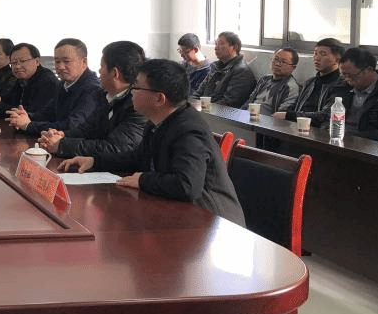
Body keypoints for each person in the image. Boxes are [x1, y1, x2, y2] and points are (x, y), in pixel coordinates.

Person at [64, 58, 245, 225]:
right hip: (179, 213)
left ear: (159, 98)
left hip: (212, 222)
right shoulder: (158, 121)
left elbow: (187, 185)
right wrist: (94, 161)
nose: (131, 92)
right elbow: (137, 158)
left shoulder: (189, 130)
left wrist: (143, 180)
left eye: (137, 87)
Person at [42, 40, 149, 159]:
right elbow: (89, 129)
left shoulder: (139, 106)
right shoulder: (104, 96)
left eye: (102, 66)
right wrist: (62, 135)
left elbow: (115, 148)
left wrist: (62, 145)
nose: (99, 71)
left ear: (115, 73)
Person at [7, 38, 99, 136]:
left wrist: (28, 125)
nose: (60, 67)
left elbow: (71, 126)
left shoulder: (93, 89)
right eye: (57, 61)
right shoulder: (63, 83)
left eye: (66, 61)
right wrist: (24, 116)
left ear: (84, 62)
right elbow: (49, 113)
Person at [274, 38, 350, 126]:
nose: (317, 58)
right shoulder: (310, 83)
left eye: (323, 54)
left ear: (337, 59)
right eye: (315, 53)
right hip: (299, 127)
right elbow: (296, 107)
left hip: (321, 131)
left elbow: (326, 115)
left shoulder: (341, 85)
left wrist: (288, 115)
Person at [2, 43, 60, 125]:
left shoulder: (48, 82)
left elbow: (31, 114)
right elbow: (8, 101)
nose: (17, 66)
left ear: (37, 61)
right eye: (14, 63)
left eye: (23, 61)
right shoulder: (20, 79)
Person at [196, 31, 255, 108]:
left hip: (218, 112)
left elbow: (229, 102)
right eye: (216, 44)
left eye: (221, 44)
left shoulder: (242, 72)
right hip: (205, 110)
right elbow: (198, 93)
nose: (216, 48)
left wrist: (204, 108)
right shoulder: (214, 67)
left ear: (234, 47)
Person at [243, 47, 301, 115]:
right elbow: (249, 102)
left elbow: (281, 115)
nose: (277, 64)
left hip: (267, 120)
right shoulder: (264, 80)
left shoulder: (291, 87)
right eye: (275, 59)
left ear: (293, 67)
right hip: (249, 116)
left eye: (283, 62)